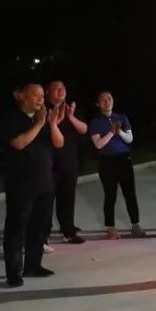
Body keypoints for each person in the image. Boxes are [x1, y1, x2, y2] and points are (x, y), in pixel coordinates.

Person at [0, 83, 64, 287]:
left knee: (40, 226)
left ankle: (33, 266)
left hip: (44, 181)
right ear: (21, 96)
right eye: (34, 95)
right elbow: (19, 143)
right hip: (20, 183)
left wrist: (52, 124)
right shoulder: (11, 117)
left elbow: (59, 143)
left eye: (41, 96)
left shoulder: (45, 120)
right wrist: (38, 124)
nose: (40, 99)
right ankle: (13, 272)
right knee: (17, 227)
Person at [88, 91, 145, 240]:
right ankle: (111, 228)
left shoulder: (121, 118)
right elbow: (98, 144)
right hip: (107, 162)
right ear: (98, 104)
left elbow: (129, 139)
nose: (107, 102)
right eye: (103, 100)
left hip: (124, 160)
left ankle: (135, 224)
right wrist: (111, 133)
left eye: (109, 99)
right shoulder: (96, 122)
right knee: (110, 196)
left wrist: (118, 131)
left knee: (130, 194)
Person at [45, 81, 87, 244]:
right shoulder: (44, 110)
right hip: (48, 163)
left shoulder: (71, 108)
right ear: (48, 92)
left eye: (63, 87)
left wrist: (70, 117)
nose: (61, 90)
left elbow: (84, 129)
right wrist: (56, 120)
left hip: (69, 161)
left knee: (68, 198)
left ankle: (68, 230)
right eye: (56, 88)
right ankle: (43, 233)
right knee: (46, 199)